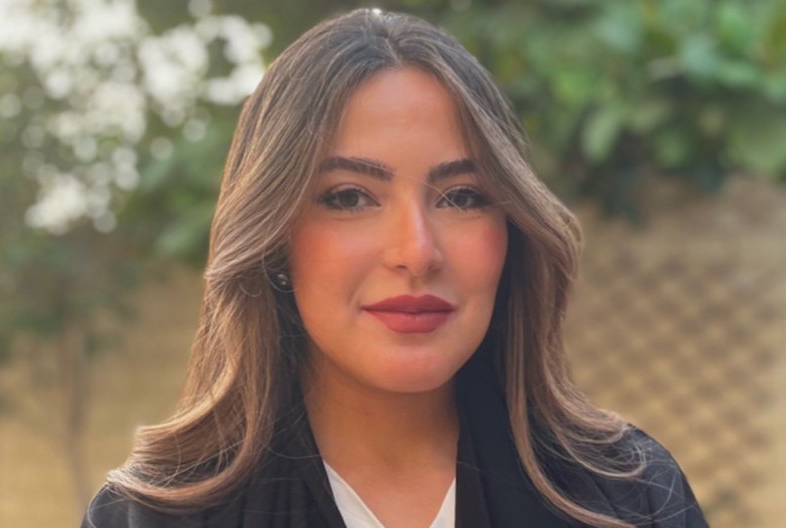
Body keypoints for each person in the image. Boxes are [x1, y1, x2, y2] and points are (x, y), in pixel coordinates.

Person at [82, 8, 707, 528]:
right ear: (274, 238)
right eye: (349, 197)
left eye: (462, 196)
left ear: (513, 230)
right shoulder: (147, 517)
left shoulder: (632, 497)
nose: (417, 250)